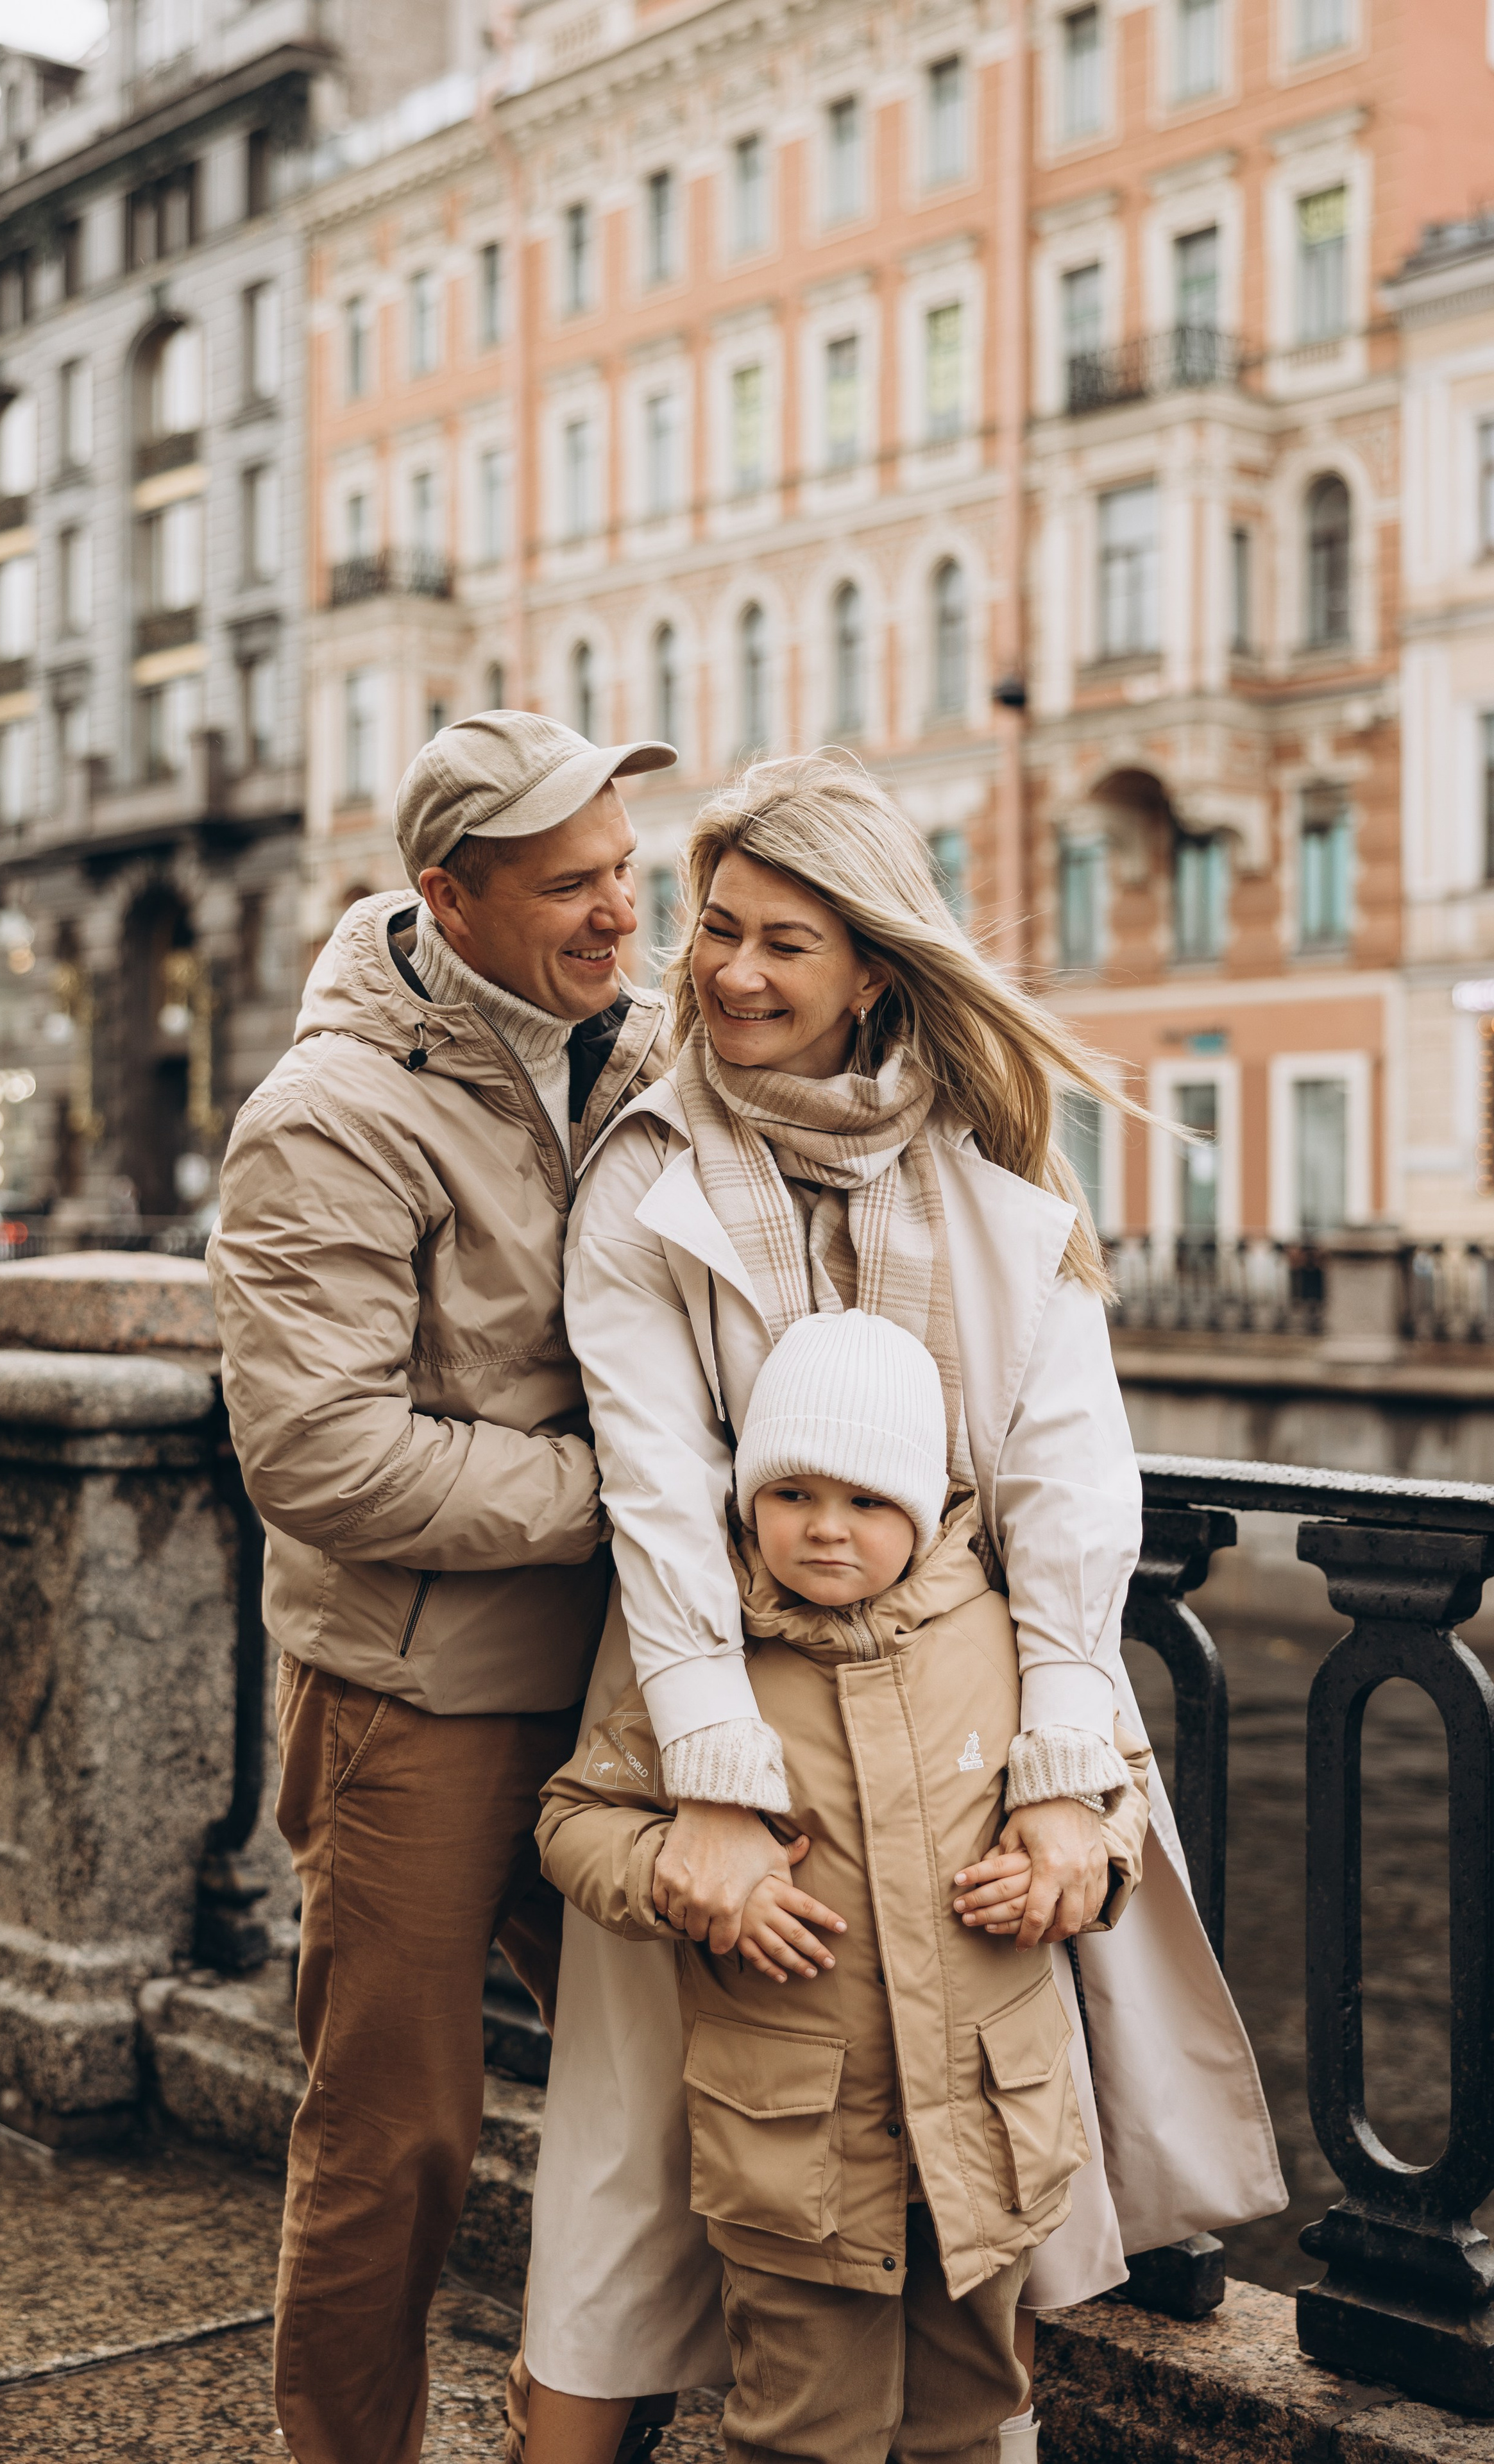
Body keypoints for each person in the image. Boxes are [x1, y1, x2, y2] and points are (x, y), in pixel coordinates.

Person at [519, 752, 1286, 2463]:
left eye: (786, 940)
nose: (729, 972)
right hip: (722, 1734)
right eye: (713, 928)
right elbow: (655, 1497)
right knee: (633, 2183)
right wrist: (711, 1792)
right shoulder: (645, 1185)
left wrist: (1071, 1781)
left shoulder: (1006, 1202)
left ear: (874, 963)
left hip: (957, 1748)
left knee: (972, 2209)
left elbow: (1073, 1507)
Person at [208, 709, 678, 2464]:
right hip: (414, 1697)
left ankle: (570, 2433)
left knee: (693, 2097)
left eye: (626, 870)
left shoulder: (630, 1044)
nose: (619, 911)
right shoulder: (328, 1114)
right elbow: (319, 1455)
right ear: (446, 898)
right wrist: (622, 1492)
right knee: (393, 2143)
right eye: (570, 884)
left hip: (627, 1680)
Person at [539, 1307, 1153, 2464]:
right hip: (795, 2158)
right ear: (745, 1500)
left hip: (986, 2140)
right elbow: (577, 1819)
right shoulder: (711, 1671)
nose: (826, 1531)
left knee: (972, 2415)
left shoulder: (1001, 1639)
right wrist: (678, 1875)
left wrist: (1074, 1877)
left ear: (923, 1507)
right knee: (801, 2427)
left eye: (868, 1503)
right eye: (793, 1496)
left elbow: (1108, 1791)